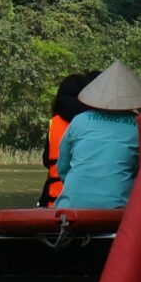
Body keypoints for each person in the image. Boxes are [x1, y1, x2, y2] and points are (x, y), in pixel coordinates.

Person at [52, 61, 141, 209]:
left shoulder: (79, 120)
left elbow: (62, 166)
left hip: (70, 206)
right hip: (116, 208)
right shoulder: (140, 126)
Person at [38, 70, 97, 207]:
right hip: (84, 204)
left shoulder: (54, 122)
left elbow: (47, 160)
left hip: (53, 202)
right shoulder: (92, 122)